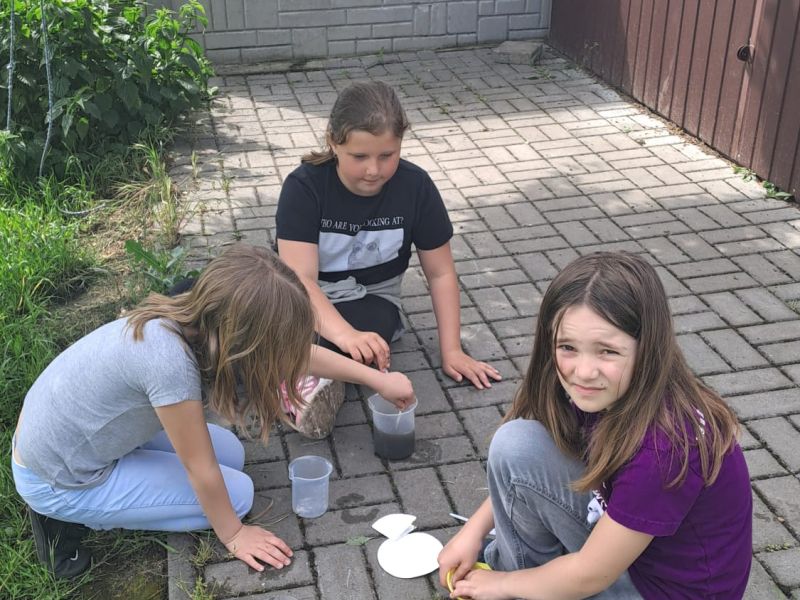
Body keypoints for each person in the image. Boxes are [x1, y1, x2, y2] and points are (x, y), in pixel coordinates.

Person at [11, 244, 414, 578]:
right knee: (235, 497)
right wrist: (234, 534)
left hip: (72, 434)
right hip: (59, 476)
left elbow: (296, 355)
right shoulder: (170, 364)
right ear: (243, 339)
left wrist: (377, 380)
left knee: (232, 455)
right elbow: (200, 469)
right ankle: (65, 519)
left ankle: (121, 476)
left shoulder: (191, 315)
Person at [437, 252, 752, 599]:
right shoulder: (613, 388)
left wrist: (502, 586)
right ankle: (525, 574)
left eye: (607, 351)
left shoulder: (666, 448)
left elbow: (589, 575)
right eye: (568, 347)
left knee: (536, 575)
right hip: (638, 558)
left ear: (648, 348)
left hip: (658, 591)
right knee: (518, 444)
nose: (584, 371)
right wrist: (472, 533)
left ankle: (520, 580)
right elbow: (520, 471)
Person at [275, 81, 501, 416]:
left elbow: (440, 273)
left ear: (400, 145)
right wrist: (345, 334)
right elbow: (301, 280)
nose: (373, 170)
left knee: (371, 335)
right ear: (333, 142)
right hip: (302, 294)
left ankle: (298, 372)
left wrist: (452, 351)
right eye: (359, 156)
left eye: (387, 156)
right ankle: (302, 369)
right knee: (247, 310)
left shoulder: (416, 187)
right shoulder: (304, 187)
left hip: (370, 298)